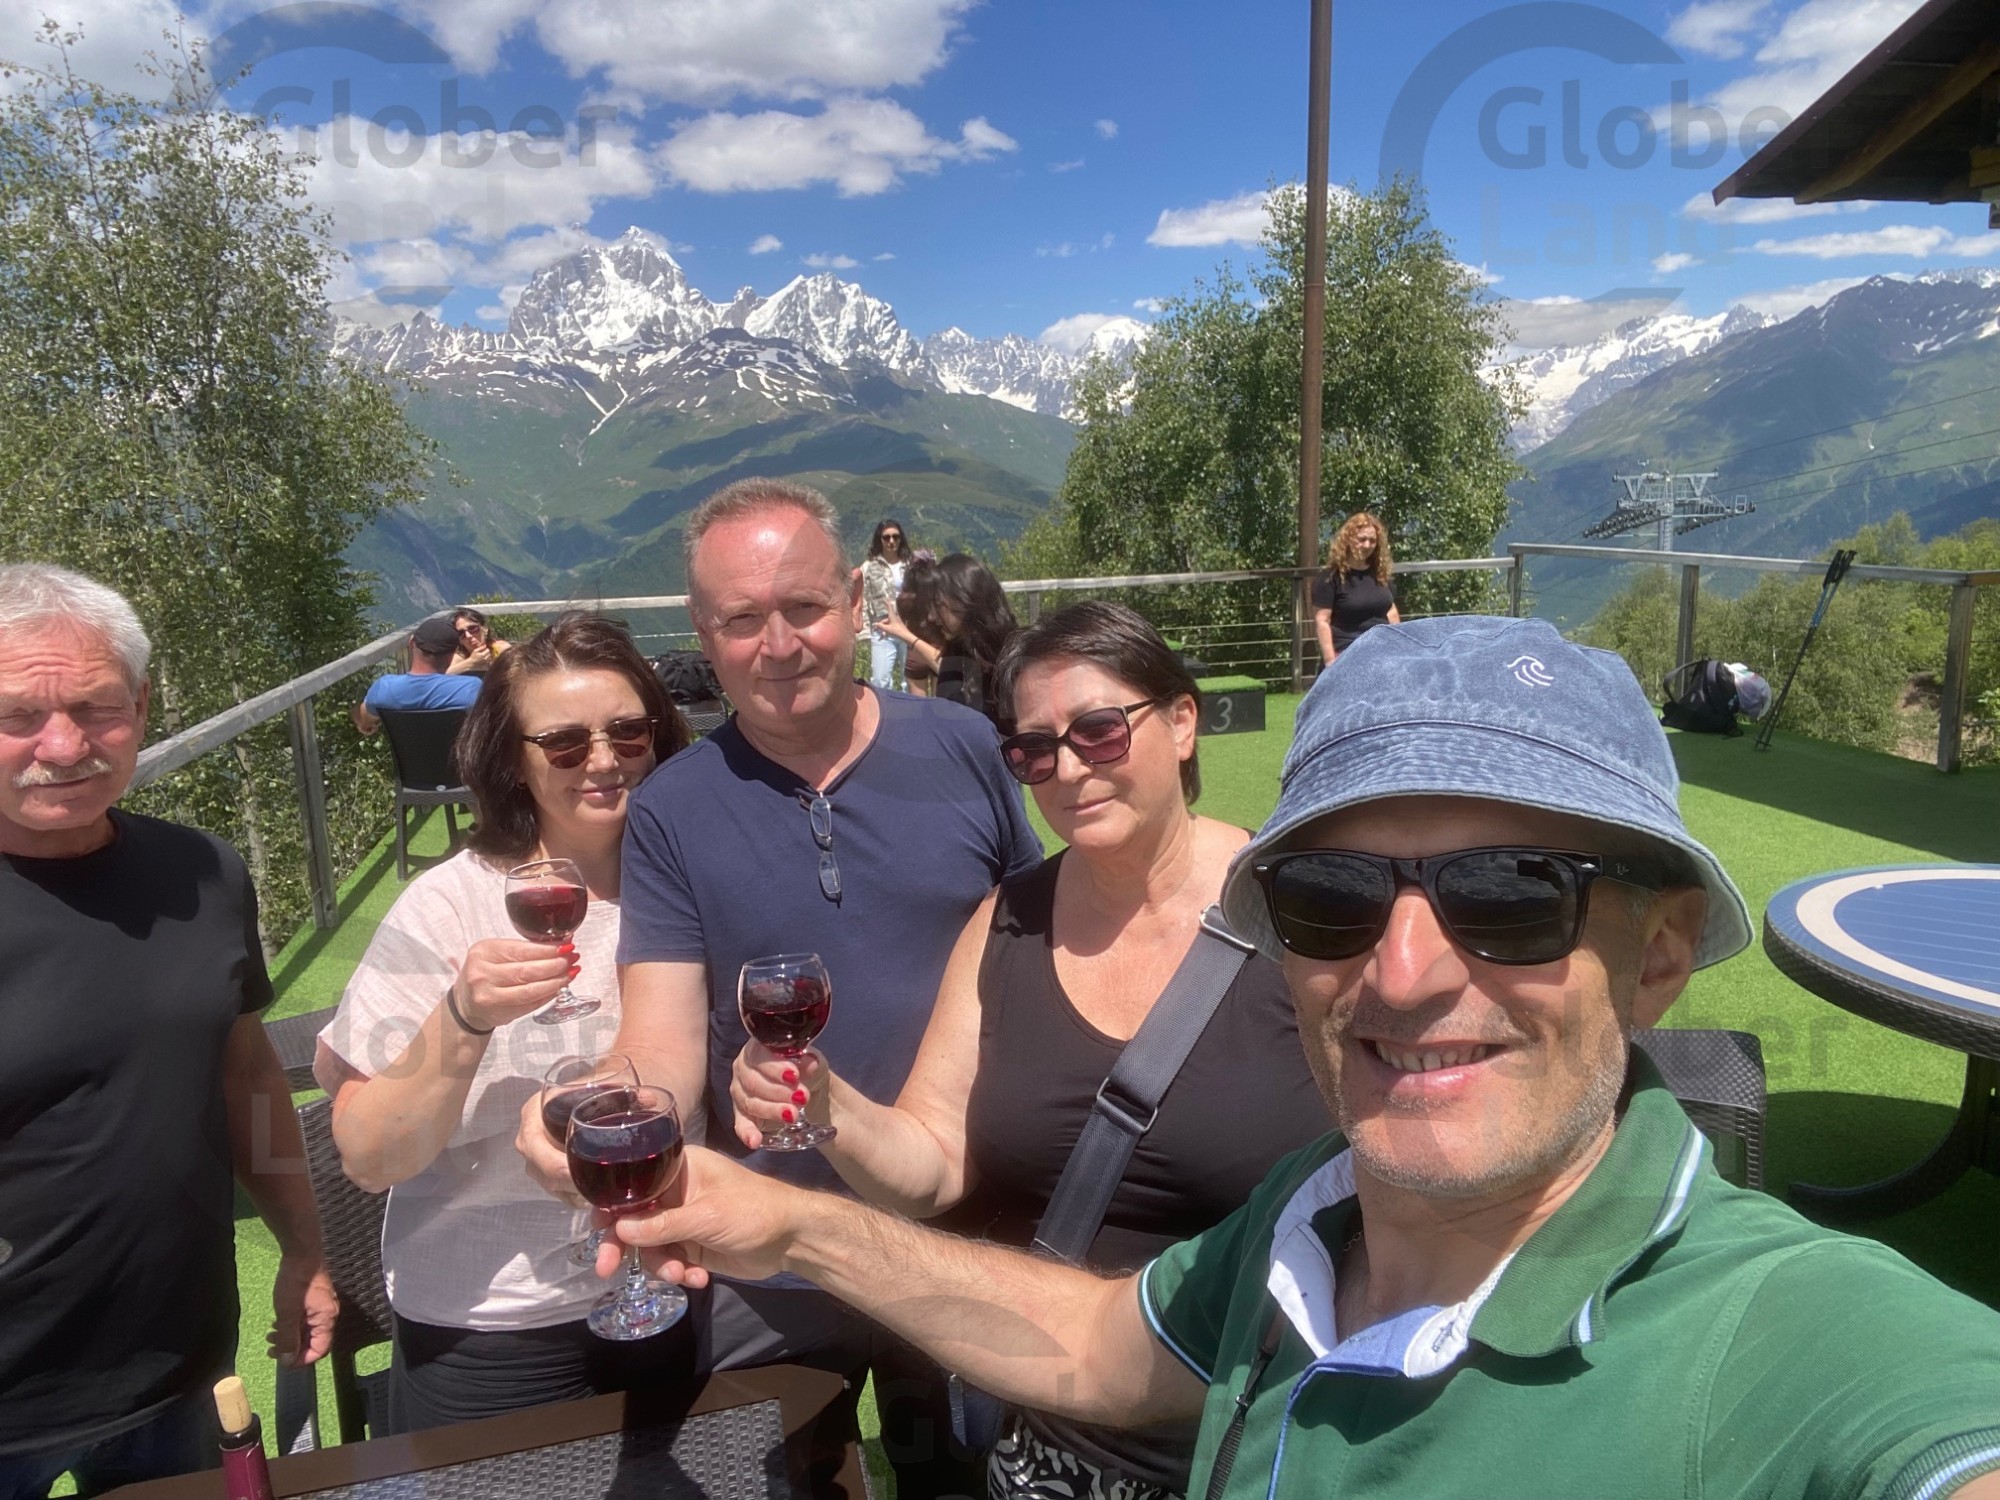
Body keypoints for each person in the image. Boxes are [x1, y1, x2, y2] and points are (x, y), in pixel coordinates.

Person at [609, 614, 2000, 1500]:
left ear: (1657, 955)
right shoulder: (1305, 1221)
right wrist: (790, 1221)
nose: (1403, 971)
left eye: (1511, 895)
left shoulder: (1778, 1333)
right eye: (1333, 898)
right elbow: (1091, 1342)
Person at [729, 601, 1327, 1497]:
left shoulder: (1303, 919)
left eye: (1099, 730)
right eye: (1035, 751)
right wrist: (827, 1106)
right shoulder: (1008, 921)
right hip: (1049, 1454)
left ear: (1181, 722)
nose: (1069, 768)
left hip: (1258, 1444)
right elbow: (932, 1165)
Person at [515, 478, 1043, 1492]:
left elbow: (1035, 950)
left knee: (969, 1481)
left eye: (803, 607)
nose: (779, 644)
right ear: (704, 638)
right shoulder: (670, 809)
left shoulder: (966, 747)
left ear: (854, 602)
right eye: (742, 620)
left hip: (967, 1225)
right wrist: (591, 1108)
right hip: (776, 1250)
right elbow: (661, 1045)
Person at [0, 564, 336, 1498]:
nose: (64, 745)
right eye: (19, 715)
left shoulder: (203, 874)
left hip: (178, 1371)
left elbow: (247, 1075)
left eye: (96, 708)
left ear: (142, 706)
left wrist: (303, 1246)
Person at [314, 614, 691, 1433]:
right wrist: (465, 1015)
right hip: (492, 1329)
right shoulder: (450, 906)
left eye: (628, 732)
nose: (604, 760)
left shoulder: (691, 882)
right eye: (564, 744)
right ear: (512, 759)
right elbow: (371, 1156)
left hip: (674, 1293)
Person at [884, 551, 1019, 723]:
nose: (932, 616)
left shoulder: (1014, 661)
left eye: (939, 605)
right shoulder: (956, 650)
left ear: (966, 599)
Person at [353, 614, 482, 734]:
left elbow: (362, 719)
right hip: (460, 752)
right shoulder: (471, 688)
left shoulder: (383, 688)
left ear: (411, 643)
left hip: (406, 752)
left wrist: (364, 725)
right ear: (452, 654)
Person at [1311, 512, 1400, 668]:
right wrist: (1331, 662)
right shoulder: (1330, 578)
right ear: (1349, 539)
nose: (1367, 545)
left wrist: (1399, 646)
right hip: (1346, 653)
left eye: (1372, 541)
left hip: (1382, 652)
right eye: (1362, 539)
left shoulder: (1381, 575)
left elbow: (1391, 611)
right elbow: (1322, 621)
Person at [858, 520, 911, 691]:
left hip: (909, 628)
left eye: (895, 537)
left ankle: (909, 708)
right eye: (886, 537)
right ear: (879, 540)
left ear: (901, 538)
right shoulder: (869, 567)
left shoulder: (910, 565)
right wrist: (864, 631)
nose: (891, 541)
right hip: (882, 629)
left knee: (909, 681)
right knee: (880, 681)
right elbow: (862, 598)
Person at [445, 607, 513, 677]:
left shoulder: (501, 649)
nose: (468, 636)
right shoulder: (460, 657)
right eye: (461, 633)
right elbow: (444, 676)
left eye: (473, 628)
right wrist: (471, 662)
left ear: (485, 629)